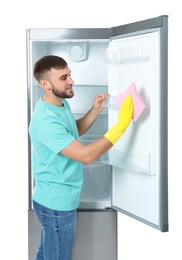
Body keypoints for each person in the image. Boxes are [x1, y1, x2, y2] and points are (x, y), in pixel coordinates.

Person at [29, 55, 134, 260]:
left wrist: (94, 111)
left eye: (70, 74)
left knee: (46, 256)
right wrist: (120, 127)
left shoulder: (58, 104)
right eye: (63, 77)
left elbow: (71, 133)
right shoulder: (45, 121)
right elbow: (86, 156)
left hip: (54, 199)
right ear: (45, 84)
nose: (71, 81)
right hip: (56, 205)